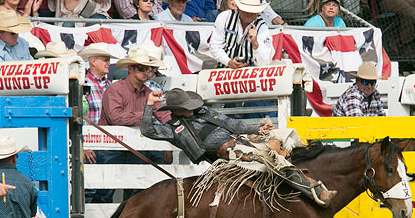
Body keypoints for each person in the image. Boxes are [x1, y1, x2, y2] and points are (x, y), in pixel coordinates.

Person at [141, 88, 337, 207]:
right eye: (186, 107)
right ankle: (316, 192)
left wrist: (258, 128)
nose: (191, 109)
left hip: (242, 142)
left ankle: (303, 165)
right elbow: (148, 130)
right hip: (229, 156)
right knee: (270, 160)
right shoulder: (174, 129)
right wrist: (150, 104)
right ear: (176, 111)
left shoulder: (204, 111)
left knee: (286, 135)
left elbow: (232, 124)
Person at [96, 47, 169, 203]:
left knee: (135, 194)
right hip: (112, 148)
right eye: (141, 68)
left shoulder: (148, 92)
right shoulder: (115, 89)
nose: (146, 72)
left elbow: (164, 116)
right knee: (104, 192)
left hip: (135, 148)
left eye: (148, 68)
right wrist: (146, 113)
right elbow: (116, 118)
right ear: (130, 69)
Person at [79, 43, 118, 203]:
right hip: (91, 145)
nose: (108, 63)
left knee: (106, 191)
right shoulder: (82, 83)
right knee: (89, 190)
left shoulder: (112, 86)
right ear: (93, 61)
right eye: (105, 60)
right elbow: (79, 117)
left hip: (108, 146)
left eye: (108, 60)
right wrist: (83, 145)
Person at [208, 0, 272, 69]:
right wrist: (229, 62)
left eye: (253, 12)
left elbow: (264, 62)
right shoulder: (224, 17)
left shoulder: (262, 26)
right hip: (223, 69)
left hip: (249, 74)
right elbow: (215, 46)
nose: (249, 14)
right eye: (246, 10)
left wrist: (256, 44)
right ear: (239, 7)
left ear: (258, 12)